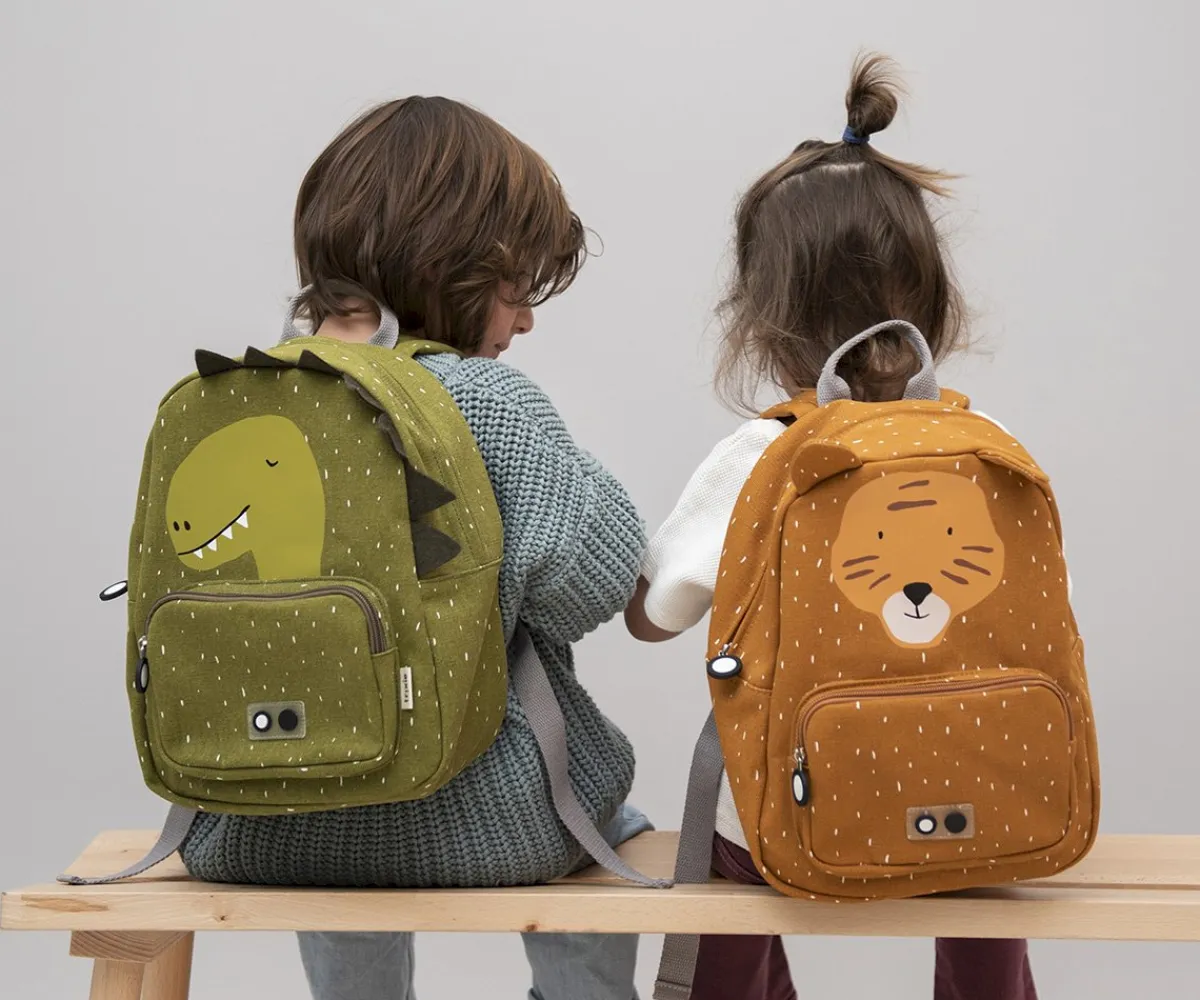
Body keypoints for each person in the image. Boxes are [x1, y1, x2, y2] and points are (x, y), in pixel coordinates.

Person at [179, 95, 651, 1000]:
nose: (525, 322)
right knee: (612, 826)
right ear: (453, 266)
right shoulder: (484, 402)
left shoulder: (243, 396)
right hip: (497, 818)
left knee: (335, 838)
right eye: (517, 290)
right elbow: (589, 584)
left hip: (268, 812)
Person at [625, 54, 1038, 1000]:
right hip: (974, 792)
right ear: (932, 299)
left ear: (760, 318)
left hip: (791, 806)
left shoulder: (760, 456)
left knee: (725, 850)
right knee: (983, 871)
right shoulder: (989, 444)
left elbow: (653, 616)